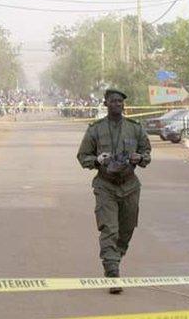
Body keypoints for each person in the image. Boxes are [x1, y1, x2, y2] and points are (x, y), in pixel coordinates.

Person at [76, 89, 152, 295]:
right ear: (106, 104)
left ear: (124, 105)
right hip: (105, 185)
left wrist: (140, 158)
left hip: (129, 186)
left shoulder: (135, 129)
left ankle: (114, 258)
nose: (116, 104)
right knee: (109, 229)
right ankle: (112, 273)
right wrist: (97, 160)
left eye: (120, 101)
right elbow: (83, 156)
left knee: (126, 230)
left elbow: (147, 152)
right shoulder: (96, 130)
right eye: (112, 101)